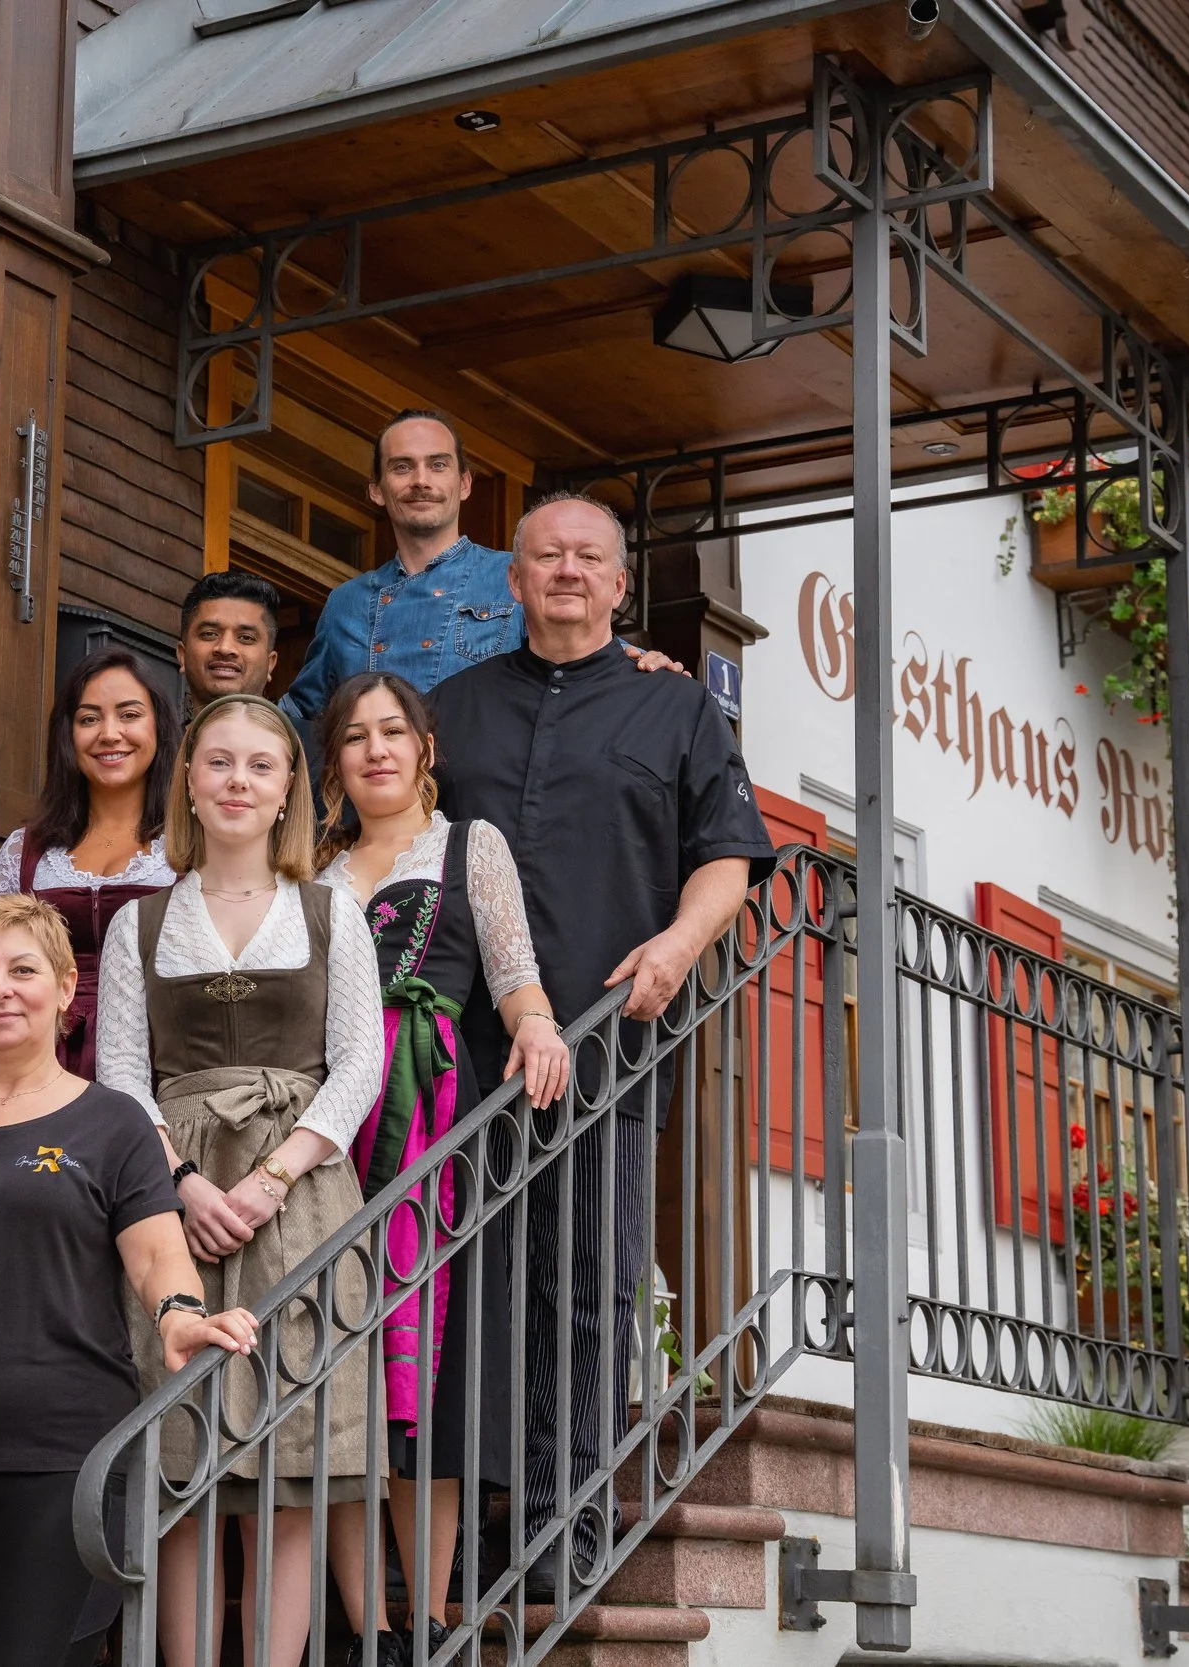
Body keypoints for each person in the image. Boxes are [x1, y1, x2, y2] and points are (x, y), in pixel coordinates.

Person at [430, 492, 774, 1595]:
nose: (567, 571)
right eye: (546, 556)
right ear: (514, 582)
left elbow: (725, 854)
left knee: (584, 1288)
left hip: (610, 1036)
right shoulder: (449, 709)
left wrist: (677, 943)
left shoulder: (676, 713)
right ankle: (460, 1527)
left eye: (589, 557)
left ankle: (561, 1528)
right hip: (457, 1053)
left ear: (621, 585)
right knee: (464, 1289)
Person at [0, 895, 259, 1667]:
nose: (1, 988)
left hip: (63, 1464)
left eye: (23, 970)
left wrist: (182, 1313)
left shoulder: (115, 1123)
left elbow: (158, 1255)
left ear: (65, 988)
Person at [95, 692, 384, 1667]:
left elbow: (357, 1065)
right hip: (171, 1201)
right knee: (186, 1461)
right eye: (218, 762)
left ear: (288, 788)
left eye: (260, 766)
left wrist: (268, 1178)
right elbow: (121, 1077)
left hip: (298, 1201)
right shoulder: (137, 923)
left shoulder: (331, 910)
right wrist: (178, 1180)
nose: (237, 782)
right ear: (187, 778)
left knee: (288, 1466)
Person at [312, 672, 570, 1657]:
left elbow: (511, 970)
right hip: (331, 1118)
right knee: (338, 1370)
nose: (375, 749)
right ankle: (365, 1618)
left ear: (425, 746)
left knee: (434, 1370)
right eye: (354, 736)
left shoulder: (469, 845)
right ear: (334, 760)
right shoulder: (315, 864)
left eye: (393, 731)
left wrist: (539, 1025)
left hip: (430, 1125)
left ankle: (421, 1610)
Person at [278, 410, 684, 729]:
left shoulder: (517, 577)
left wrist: (648, 667)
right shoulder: (346, 603)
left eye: (438, 465)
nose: (421, 481)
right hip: (376, 819)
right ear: (376, 489)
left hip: (486, 805)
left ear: (465, 483)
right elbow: (301, 718)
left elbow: (585, 656)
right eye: (402, 467)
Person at [0, 647, 180, 1077]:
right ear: (68, 735)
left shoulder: (191, 848)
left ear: (159, 727)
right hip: (40, 1061)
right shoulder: (25, 851)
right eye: (89, 719)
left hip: (161, 1063)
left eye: (129, 715)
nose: (110, 734)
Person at [176, 568, 282, 710]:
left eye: (245, 637)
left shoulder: (292, 733)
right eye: (209, 634)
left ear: (270, 663)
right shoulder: (151, 731)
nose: (225, 648)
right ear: (182, 655)